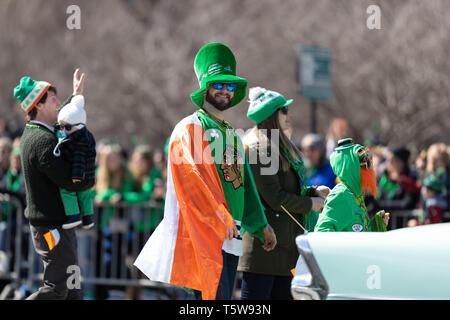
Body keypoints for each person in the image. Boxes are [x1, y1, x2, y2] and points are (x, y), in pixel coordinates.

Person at [134, 42, 276, 300]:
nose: (224, 90)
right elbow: (192, 182)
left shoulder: (232, 133)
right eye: (218, 84)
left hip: (229, 239)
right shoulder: (189, 127)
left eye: (230, 85)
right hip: (201, 240)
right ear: (205, 87)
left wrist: (259, 224)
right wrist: (220, 216)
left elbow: (244, 185)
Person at [237, 87, 328, 300]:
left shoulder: (277, 145)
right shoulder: (258, 147)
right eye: (284, 109)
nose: (288, 114)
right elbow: (276, 198)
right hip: (264, 249)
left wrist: (313, 191)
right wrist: (311, 203)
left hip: (285, 247)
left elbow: (287, 189)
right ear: (271, 114)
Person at [14, 69, 95, 299]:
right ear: (38, 106)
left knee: (72, 289)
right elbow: (70, 182)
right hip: (50, 227)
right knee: (58, 288)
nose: (59, 103)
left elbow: (63, 119)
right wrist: (89, 179)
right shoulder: (41, 141)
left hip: (58, 224)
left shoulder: (40, 133)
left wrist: (75, 96)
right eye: (53, 100)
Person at [315, 138, 390, 232]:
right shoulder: (341, 194)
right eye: (364, 166)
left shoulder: (356, 194)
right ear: (351, 169)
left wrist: (375, 226)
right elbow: (322, 232)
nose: (370, 171)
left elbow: (357, 232)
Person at [52, 94, 96, 229]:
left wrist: (76, 175)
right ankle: (88, 218)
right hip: (88, 176)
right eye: (61, 127)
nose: (63, 130)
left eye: (68, 127)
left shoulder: (79, 140)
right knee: (85, 195)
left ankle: (74, 216)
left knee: (66, 191)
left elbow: (79, 158)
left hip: (79, 175)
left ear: (80, 125)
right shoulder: (85, 135)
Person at [376, 146, 420, 214]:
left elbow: (406, 204)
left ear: (400, 162)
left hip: (401, 222)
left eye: (391, 160)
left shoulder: (409, 179)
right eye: (387, 159)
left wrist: (379, 205)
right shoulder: (383, 178)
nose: (387, 163)